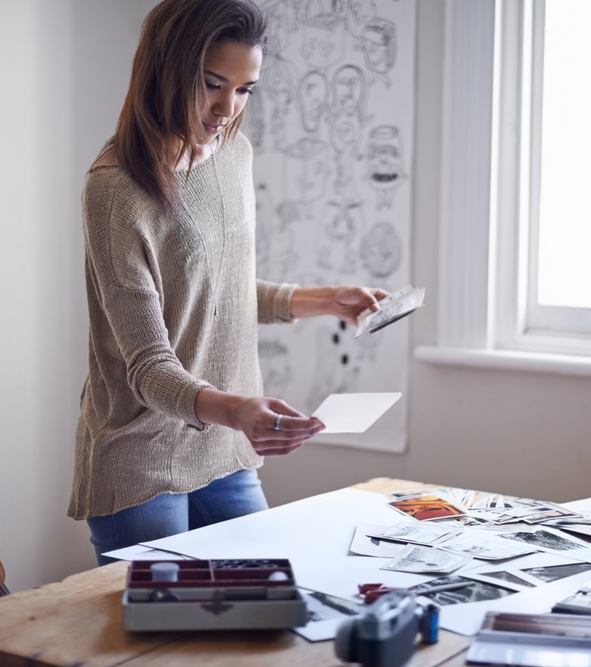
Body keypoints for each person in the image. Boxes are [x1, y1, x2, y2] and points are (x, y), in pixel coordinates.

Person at [67, 0, 387, 565]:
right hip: (143, 459)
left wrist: (327, 300)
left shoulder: (234, 152)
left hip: (224, 449)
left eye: (245, 89)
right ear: (166, 69)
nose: (227, 108)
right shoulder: (115, 189)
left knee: (268, 601)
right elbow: (147, 367)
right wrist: (239, 409)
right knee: (168, 623)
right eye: (213, 84)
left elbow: (219, 291)